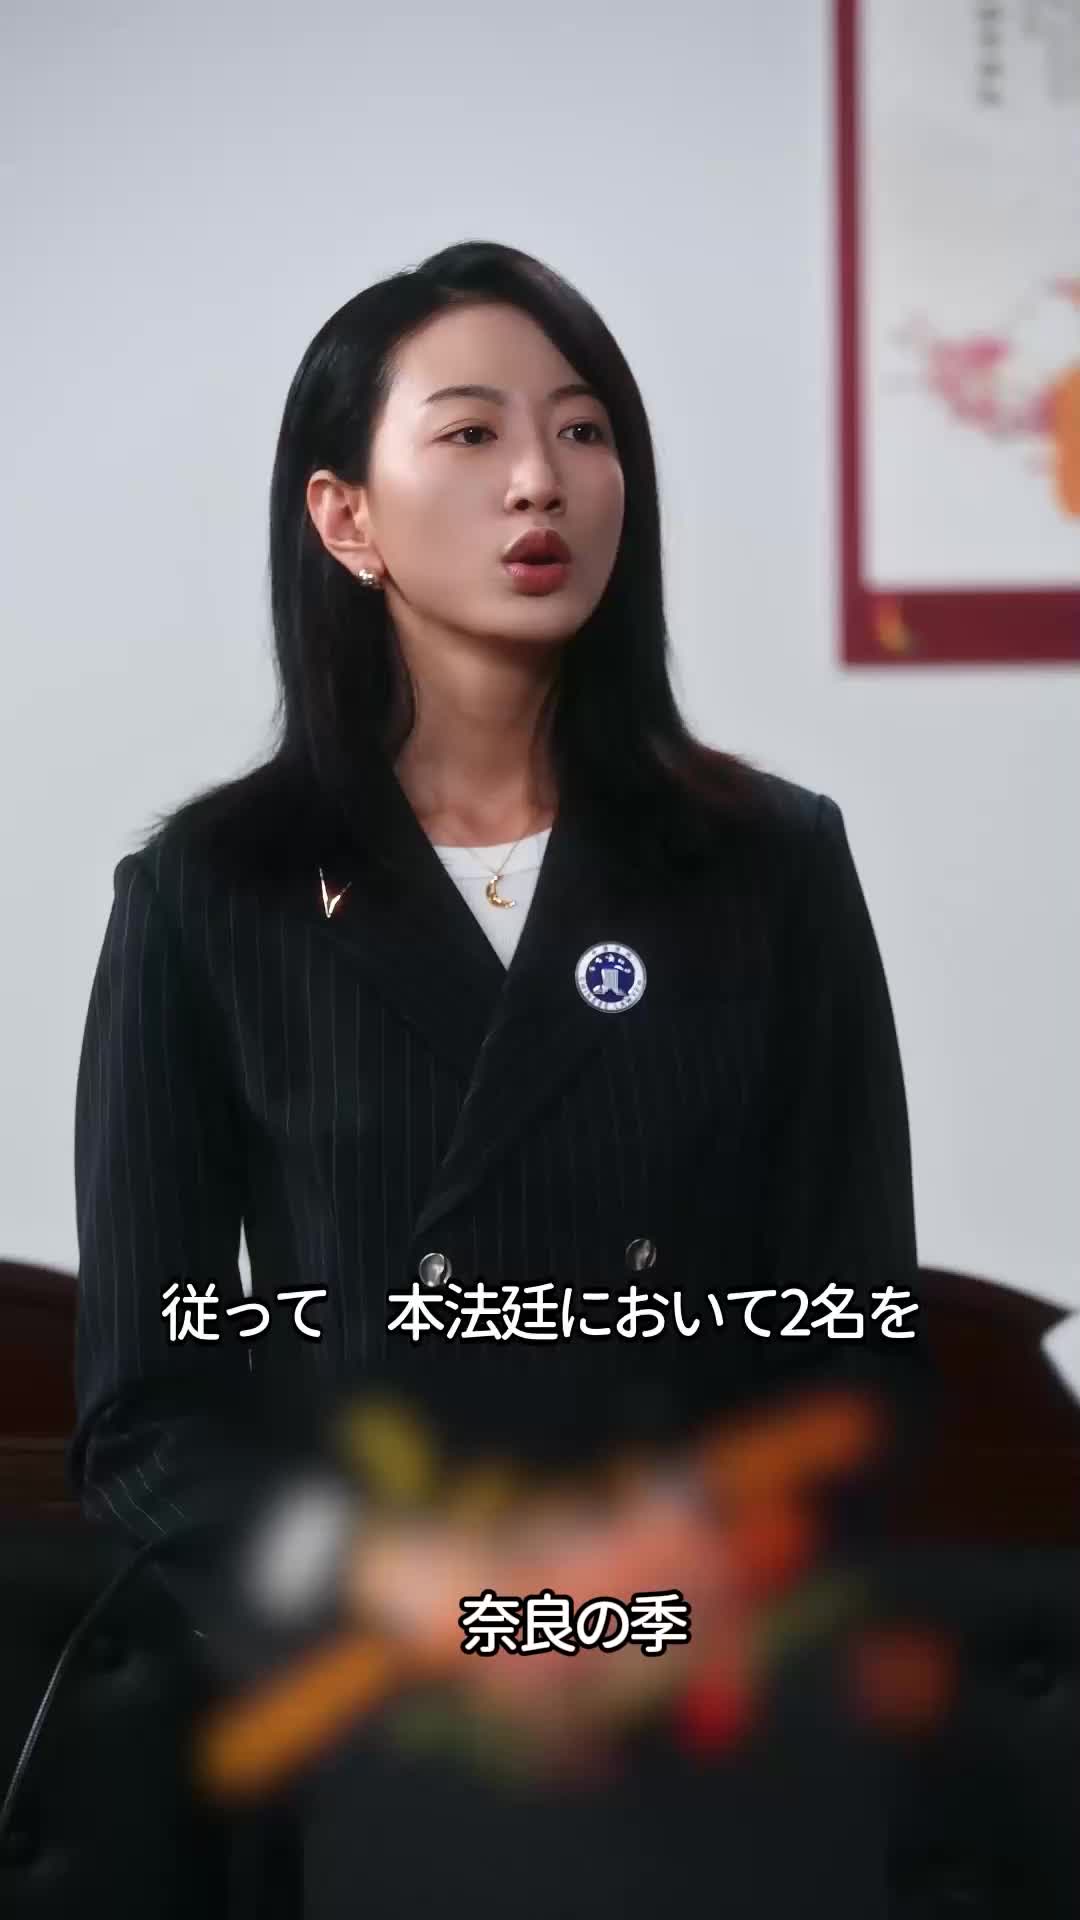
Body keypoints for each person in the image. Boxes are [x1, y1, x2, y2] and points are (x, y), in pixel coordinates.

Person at [69, 239, 938, 1917]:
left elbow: (856, 1331)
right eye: (470, 433)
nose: (541, 478)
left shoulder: (770, 863)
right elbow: (146, 1413)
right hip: (385, 1712)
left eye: (583, 429)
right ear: (345, 517)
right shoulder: (210, 897)